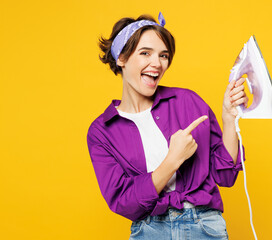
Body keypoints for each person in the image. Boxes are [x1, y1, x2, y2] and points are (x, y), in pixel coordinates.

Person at [87, 12, 249, 240]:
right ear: (121, 58)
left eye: (164, 55)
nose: (157, 64)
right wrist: (173, 160)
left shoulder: (188, 102)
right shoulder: (102, 131)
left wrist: (229, 119)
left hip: (204, 226)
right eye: (145, 53)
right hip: (149, 230)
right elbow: (123, 202)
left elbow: (225, 176)